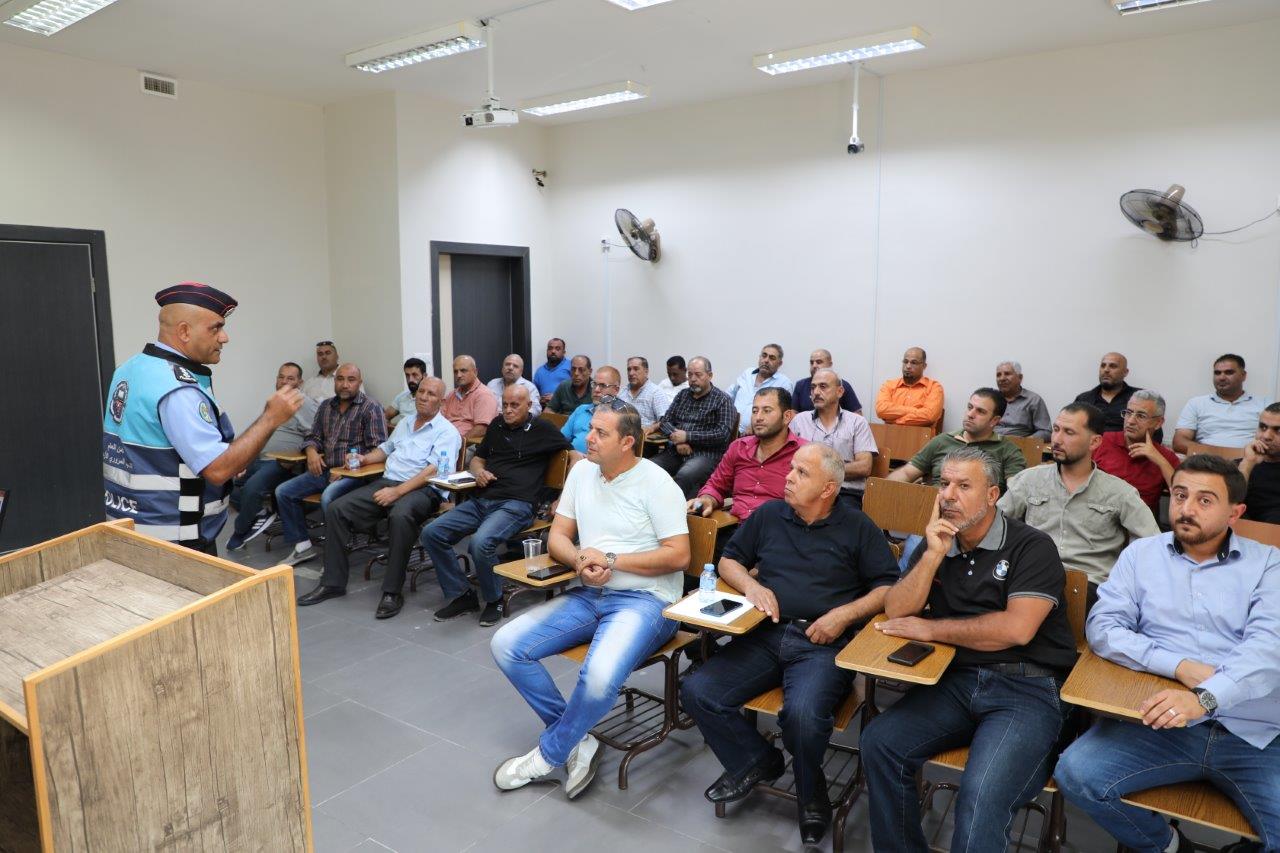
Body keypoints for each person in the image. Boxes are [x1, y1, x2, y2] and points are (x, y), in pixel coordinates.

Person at [1055, 454, 1280, 853]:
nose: (1186, 508)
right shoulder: (1141, 555)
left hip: (1253, 733)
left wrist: (1204, 698)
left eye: (1205, 500)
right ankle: (1170, 845)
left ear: (1235, 512)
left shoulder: (1269, 564)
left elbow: (1267, 650)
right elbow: (1104, 627)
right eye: (1179, 495)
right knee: (1076, 774)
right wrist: (1178, 666)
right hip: (1161, 724)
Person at [861, 447, 1078, 853]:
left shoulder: (1031, 546)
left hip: (1027, 688)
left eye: (963, 486)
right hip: (958, 680)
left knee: (980, 795)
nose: (948, 495)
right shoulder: (940, 541)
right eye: (944, 483)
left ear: (992, 495)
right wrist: (932, 555)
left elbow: (1016, 630)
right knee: (880, 743)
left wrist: (931, 628)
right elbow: (897, 609)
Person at [681, 444, 898, 845]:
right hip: (764, 632)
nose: (788, 477)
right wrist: (752, 587)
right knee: (697, 690)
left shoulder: (857, 526)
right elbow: (729, 560)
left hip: (821, 642)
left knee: (802, 716)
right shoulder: (770, 514)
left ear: (828, 489)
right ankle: (757, 760)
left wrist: (843, 615)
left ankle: (811, 789)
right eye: (792, 469)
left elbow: (887, 587)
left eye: (801, 473)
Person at [489, 400, 688, 801]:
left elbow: (679, 555)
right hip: (591, 591)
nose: (588, 438)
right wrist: (580, 559)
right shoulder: (582, 471)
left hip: (647, 601)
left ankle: (548, 755)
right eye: (591, 429)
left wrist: (611, 560)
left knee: (597, 677)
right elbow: (558, 536)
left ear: (628, 442)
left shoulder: (657, 483)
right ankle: (577, 738)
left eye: (601, 433)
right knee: (506, 645)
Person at [103, 283, 303, 553]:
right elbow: (218, 470)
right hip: (176, 543)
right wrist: (270, 418)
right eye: (215, 328)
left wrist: (227, 455)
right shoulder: (177, 390)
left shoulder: (130, 368)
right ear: (184, 331)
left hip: (133, 528)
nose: (224, 338)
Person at [296, 377, 460, 619]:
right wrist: (364, 459)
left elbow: (433, 471)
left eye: (431, 394)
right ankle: (333, 583)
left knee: (400, 515)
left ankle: (392, 592)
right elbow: (385, 449)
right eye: (421, 391)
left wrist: (398, 492)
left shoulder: (447, 432)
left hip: (424, 490)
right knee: (336, 509)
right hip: (388, 482)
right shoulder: (406, 422)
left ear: (442, 402)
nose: (424, 397)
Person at [422, 383, 572, 627]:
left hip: (517, 504)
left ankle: (495, 599)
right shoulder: (496, 425)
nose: (508, 410)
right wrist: (479, 472)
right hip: (482, 499)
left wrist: (563, 497)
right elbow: (477, 460)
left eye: (515, 405)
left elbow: (574, 456)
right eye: (505, 405)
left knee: (480, 543)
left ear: (529, 406)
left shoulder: (543, 428)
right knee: (432, 533)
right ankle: (462, 594)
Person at [1000, 403, 1159, 591]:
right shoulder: (1029, 480)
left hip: (1090, 586)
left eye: (1069, 432)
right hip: (1031, 578)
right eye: (1056, 429)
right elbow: (994, 526)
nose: (1057, 439)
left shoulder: (1119, 492)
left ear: (1094, 442)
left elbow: (1151, 544)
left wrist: (1125, 581)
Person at [274, 363, 387, 566]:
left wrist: (347, 470)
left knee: (329, 497)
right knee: (284, 491)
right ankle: (303, 547)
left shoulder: (371, 407)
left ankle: (336, 555)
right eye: (340, 379)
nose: (345, 384)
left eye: (351, 380)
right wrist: (311, 452)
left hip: (356, 475)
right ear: (335, 381)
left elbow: (378, 450)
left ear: (359, 383)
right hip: (325, 470)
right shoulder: (326, 406)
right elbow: (313, 436)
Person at [226, 361, 320, 551]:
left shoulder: (304, 403)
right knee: (225, 481)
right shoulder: (275, 402)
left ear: (300, 383)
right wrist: (242, 455)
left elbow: (318, 434)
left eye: (290, 378)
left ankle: (240, 532)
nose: (284, 381)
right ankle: (260, 514)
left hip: (282, 463)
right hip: (260, 457)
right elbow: (259, 431)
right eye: (281, 377)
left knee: (252, 488)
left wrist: (306, 452)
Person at [690, 388, 805, 522]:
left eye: (767, 411)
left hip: (780, 528)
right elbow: (716, 486)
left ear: (787, 417)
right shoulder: (739, 447)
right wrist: (707, 499)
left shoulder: (803, 453)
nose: (758, 417)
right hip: (736, 527)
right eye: (755, 411)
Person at [888, 388, 1026, 490]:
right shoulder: (942, 441)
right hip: (935, 510)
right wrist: (881, 491)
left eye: (980, 411)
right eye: (970, 407)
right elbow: (907, 473)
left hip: (981, 516)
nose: (970, 414)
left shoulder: (1008, 451)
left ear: (994, 420)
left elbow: (1016, 493)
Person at [789, 368, 877, 508]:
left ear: (839, 392)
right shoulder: (799, 421)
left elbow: (864, 467)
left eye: (823, 386)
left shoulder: (857, 422)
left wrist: (819, 471)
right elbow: (788, 461)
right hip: (806, 490)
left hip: (845, 493)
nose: (816, 392)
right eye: (813, 387)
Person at [651, 356, 737, 498]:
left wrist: (687, 437)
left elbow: (722, 434)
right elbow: (665, 421)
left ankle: (675, 510)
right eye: (690, 374)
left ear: (710, 375)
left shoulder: (723, 400)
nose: (693, 379)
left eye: (698, 375)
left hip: (706, 455)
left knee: (685, 475)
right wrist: (678, 440)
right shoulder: (682, 395)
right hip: (676, 451)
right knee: (649, 467)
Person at [1093, 389, 1179, 515]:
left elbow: (1181, 495)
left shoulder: (1166, 457)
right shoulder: (1103, 441)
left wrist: (1159, 460)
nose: (1130, 421)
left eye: (1141, 416)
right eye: (1128, 413)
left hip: (1137, 521)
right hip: (1096, 514)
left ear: (1158, 423)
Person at [1173, 354, 1271, 453]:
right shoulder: (1196, 403)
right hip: (1206, 460)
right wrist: (1222, 455)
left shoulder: (1264, 404)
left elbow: (1274, 440)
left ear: (1243, 375)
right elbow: (1179, 442)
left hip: (1251, 459)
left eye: (1229, 372)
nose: (1222, 377)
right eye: (1217, 373)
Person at [727, 344, 794, 435]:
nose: (766, 360)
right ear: (759, 357)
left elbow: (782, 415)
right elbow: (729, 395)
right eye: (764, 355)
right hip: (730, 430)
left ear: (780, 363)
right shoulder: (747, 373)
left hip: (758, 435)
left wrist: (755, 425)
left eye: (772, 358)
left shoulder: (784, 383)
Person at [875, 346, 943, 428]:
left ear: (924, 366)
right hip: (890, 434)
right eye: (905, 361)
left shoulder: (934, 387)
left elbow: (929, 416)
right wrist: (916, 411)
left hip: (921, 435)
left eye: (914, 363)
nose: (908, 366)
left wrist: (896, 421)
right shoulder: (889, 385)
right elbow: (881, 410)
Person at [1074, 351, 1141, 434]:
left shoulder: (1139, 398)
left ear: (1125, 372)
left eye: (1113, 366)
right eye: (1103, 366)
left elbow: (1152, 429)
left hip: (1126, 442)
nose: (1106, 370)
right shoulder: (1083, 399)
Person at [561, 367, 621, 454]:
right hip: (571, 458)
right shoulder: (581, 410)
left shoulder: (621, 415)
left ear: (616, 390)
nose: (596, 390)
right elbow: (561, 439)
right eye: (594, 384)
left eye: (603, 386)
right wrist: (572, 454)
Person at [1240, 402, 1280, 523]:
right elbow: (1227, 504)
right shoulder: (1242, 466)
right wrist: (1247, 464)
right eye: (1263, 427)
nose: (1266, 436)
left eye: (1278, 430)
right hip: (1244, 531)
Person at [443, 355, 499, 441]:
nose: (458, 375)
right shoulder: (451, 395)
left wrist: (459, 443)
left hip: (470, 443)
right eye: (455, 371)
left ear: (475, 372)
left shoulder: (484, 395)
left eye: (463, 371)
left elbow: (482, 429)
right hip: (446, 440)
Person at [791, 349, 862, 415]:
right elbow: (793, 414)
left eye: (819, 362)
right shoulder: (800, 385)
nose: (814, 365)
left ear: (830, 364)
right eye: (811, 362)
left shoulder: (842, 385)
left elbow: (857, 414)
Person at [993, 360, 1051, 440]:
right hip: (990, 443)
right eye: (998, 375)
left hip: (1019, 445)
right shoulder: (991, 399)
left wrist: (1025, 442)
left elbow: (1045, 432)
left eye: (1007, 374)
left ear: (1020, 378)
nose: (1002, 378)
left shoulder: (1033, 400)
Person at [618, 356, 671, 430]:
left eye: (636, 369)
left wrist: (652, 428)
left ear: (646, 371)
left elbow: (666, 420)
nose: (631, 373)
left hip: (647, 435)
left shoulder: (656, 392)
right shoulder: (622, 393)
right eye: (629, 369)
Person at [486, 353, 542, 417]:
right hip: (492, 420)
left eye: (515, 366)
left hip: (517, 421)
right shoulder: (492, 384)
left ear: (521, 371)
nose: (510, 368)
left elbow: (536, 410)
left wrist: (518, 417)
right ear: (502, 368)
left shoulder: (530, 387)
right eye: (507, 364)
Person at [383, 357, 426, 425]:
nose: (410, 380)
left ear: (424, 376)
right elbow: (384, 418)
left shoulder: (430, 399)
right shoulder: (402, 396)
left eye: (414, 375)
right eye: (407, 375)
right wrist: (396, 428)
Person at [533, 337, 571, 407]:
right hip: (545, 409)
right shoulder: (539, 371)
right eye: (550, 348)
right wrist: (541, 400)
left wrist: (557, 398)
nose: (553, 351)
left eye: (557, 349)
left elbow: (579, 392)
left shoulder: (572, 367)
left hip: (566, 410)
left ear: (564, 352)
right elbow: (534, 396)